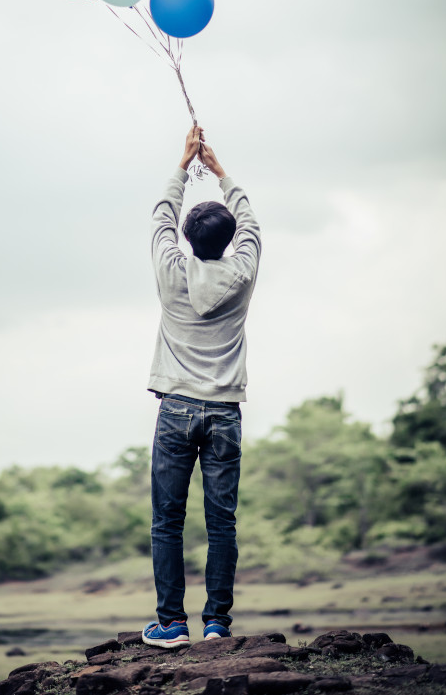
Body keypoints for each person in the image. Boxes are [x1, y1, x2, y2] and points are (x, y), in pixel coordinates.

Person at [142, 125, 261, 648]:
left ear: (188, 239)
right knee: (222, 523)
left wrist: (183, 164)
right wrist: (218, 170)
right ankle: (217, 624)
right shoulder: (243, 272)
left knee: (167, 521)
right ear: (229, 239)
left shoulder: (171, 271)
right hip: (225, 413)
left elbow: (160, 217)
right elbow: (251, 222)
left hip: (176, 410)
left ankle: (172, 624)